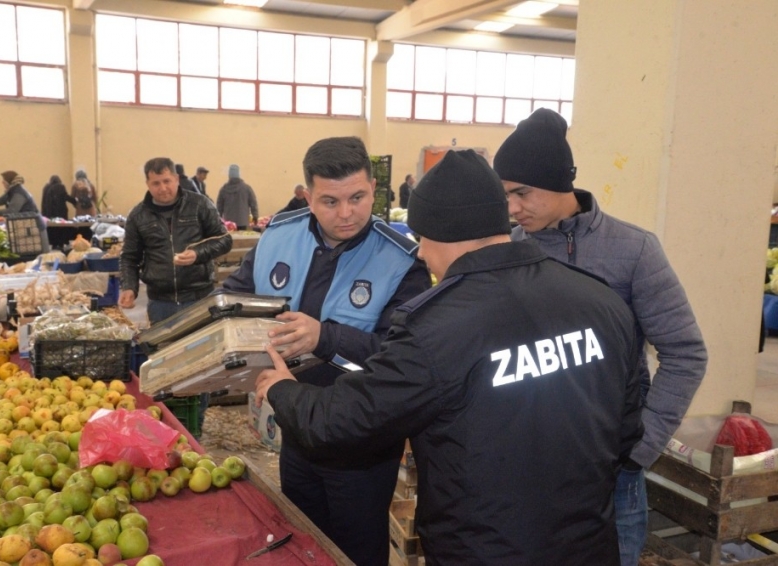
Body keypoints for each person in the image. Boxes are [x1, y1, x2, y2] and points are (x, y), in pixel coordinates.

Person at [255, 149, 643, 566]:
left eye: (423, 240)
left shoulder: (435, 329)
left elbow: (344, 420)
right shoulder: (601, 302)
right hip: (586, 544)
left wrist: (282, 390)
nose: (421, 254)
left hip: (484, 546)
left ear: (442, 233)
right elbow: (627, 423)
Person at [493, 108, 708, 566]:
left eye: (522, 192)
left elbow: (685, 352)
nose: (512, 208)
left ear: (558, 181)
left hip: (612, 472)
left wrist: (641, 447)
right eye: (505, 195)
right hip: (526, 462)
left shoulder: (633, 251)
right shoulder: (507, 252)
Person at [224, 136, 431, 566]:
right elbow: (233, 299)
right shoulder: (278, 237)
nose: (346, 213)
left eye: (357, 198)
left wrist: (327, 338)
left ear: (374, 188)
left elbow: (399, 359)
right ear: (308, 196)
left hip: (363, 445)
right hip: (296, 425)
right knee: (304, 541)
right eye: (330, 201)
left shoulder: (402, 261)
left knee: (356, 550)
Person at [119, 157, 232, 325]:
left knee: (201, 349)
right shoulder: (138, 216)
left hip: (199, 298)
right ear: (148, 184)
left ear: (177, 179)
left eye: (167, 181)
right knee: (164, 350)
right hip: (160, 303)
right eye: (156, 183)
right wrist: (129, 287)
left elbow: (224, 240)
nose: (163, 188)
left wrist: (197, 254)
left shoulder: (200, 205)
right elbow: (129, 257)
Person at [0, 171, 50, 253]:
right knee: (27, 252)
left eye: (3, 182)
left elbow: (12, 211)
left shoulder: (19, 192)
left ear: (9, 182)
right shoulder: (12, 191)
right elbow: (0, 200)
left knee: (38, 254)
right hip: (26, 226)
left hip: (34, 227)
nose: (2, 183)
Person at [216, 164, 258, 230]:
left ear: (229, 175)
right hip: (243, 222)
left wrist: (218, 219)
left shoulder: (223, 190)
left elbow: (219, 207)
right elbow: (253, 203)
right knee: (242, 240)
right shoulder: (246, 188)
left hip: (229, 224)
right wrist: (255, 216)